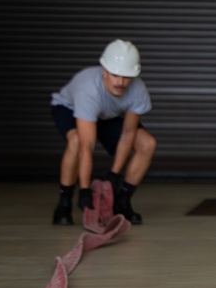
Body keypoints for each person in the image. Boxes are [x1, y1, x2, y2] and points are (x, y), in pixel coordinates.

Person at [49, 39, 157, 226]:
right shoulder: (88, 89)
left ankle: (122, 201)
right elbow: (87, 145)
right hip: (69, 108)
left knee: (147, 144)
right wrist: (84, 189)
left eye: (126, 76)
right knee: (76, 141)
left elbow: (128, 134)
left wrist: (114, 174)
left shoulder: (137, 89)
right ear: (104, 71)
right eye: (115, 75)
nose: (121, 82)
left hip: (108, 114)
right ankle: (64, 202)